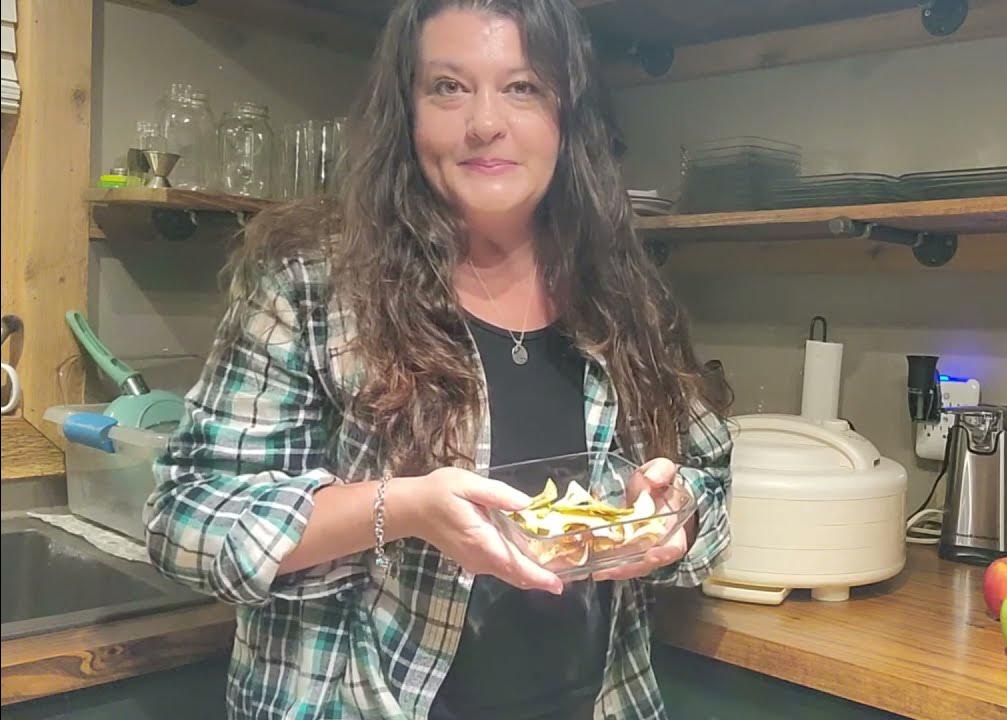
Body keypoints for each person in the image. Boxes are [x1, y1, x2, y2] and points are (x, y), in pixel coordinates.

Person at [143, 1, 732, 718]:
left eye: (523, 88)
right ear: (407, 114)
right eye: (448, 88)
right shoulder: (312, 283)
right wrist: (403, 509)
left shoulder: (623, 294)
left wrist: (674, 512)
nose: (485, 122)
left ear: (567, 116)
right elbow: (185, 522)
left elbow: (711, 481)